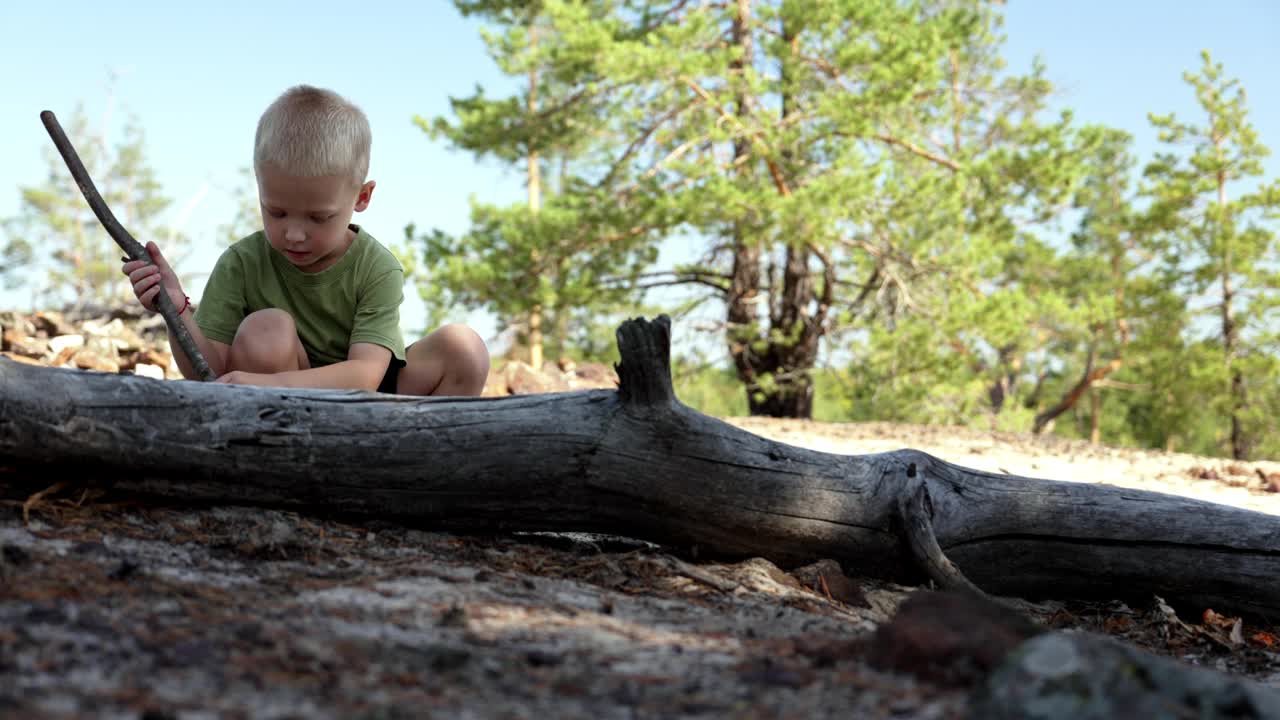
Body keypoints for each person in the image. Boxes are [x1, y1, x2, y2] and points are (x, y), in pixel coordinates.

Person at [121, 84, 489, 396]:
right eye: (276, 212)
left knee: (464, 349)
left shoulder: (376, 267)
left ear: (361, 197)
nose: (294, 234)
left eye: (319, 217)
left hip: (365, 409)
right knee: (267, 330)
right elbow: (211, 372)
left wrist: (271, 384)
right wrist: (177, 311)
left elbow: (365, 377)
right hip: (282, 421)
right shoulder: (242, 263)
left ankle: (417, 468)